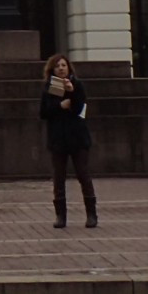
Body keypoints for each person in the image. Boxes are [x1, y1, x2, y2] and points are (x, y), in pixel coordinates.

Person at [38, 52, 96, 229]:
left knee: (83, 174)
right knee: (59, 177)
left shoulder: (77, 85)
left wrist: (72, 93)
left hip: (77, 137)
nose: (61, 68)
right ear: (52, 69)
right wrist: (59, 105)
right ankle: (61, 216)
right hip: (58, 139)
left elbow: (80, 109)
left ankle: (91, 214)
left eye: (63, 65)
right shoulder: (50, 86)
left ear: (69, 67)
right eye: (58, 66)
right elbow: (44, 112)